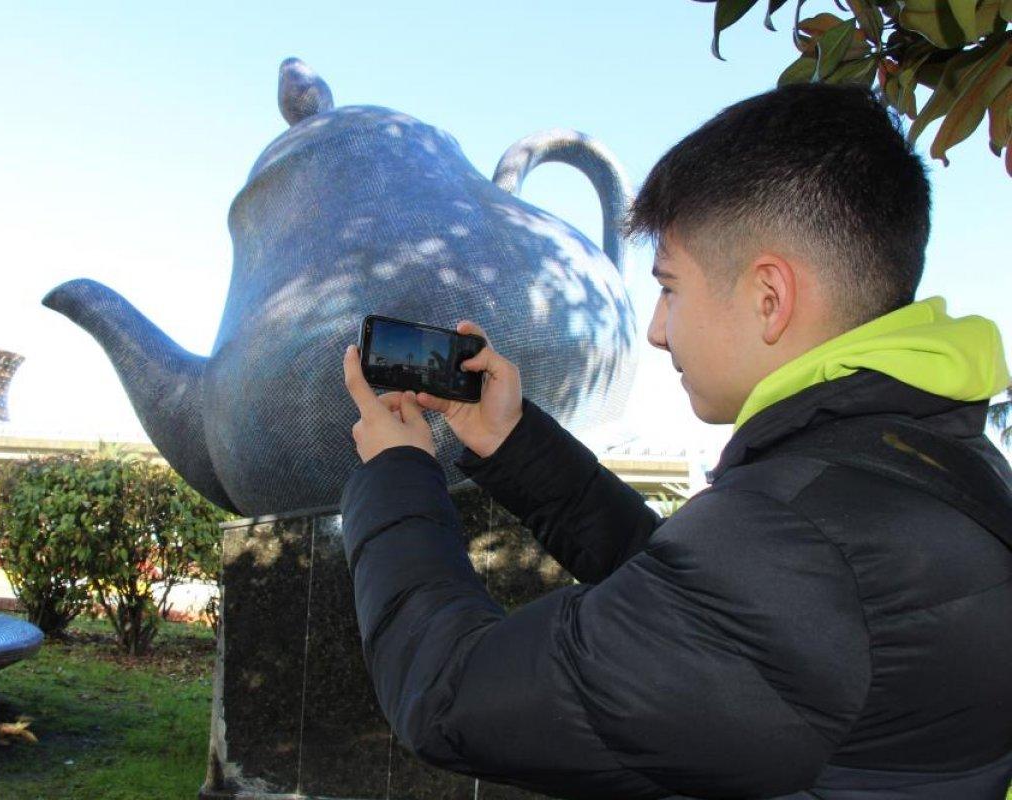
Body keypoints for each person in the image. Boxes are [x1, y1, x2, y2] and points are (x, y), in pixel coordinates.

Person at [339, 82, 1012, 799]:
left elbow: (450, 697)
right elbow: (687, 599)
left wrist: (399, 474)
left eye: (670, 287)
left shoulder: (803, 541)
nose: (657, 330)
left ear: (769, 298)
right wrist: (509, 441)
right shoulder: (926, 456)